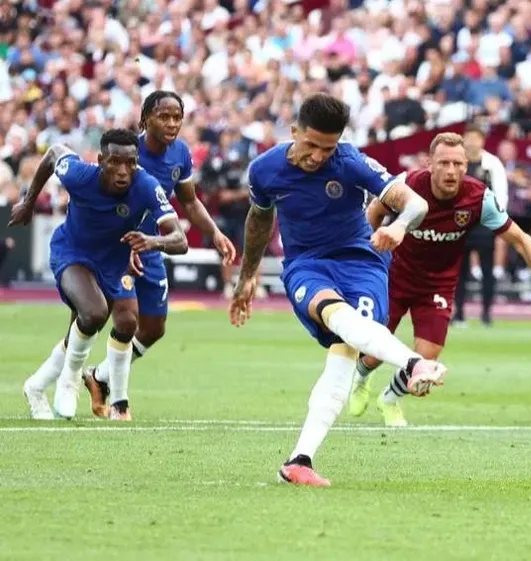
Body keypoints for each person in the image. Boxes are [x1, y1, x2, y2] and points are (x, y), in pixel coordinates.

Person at [228, 93, 446, 487]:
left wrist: (398, 226)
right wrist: (248, 275)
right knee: (334, 316)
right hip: (306, 265)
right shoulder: (265, 170)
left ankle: (299, 460)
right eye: (310, 145)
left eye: (326, 148)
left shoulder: (349, 161)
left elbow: (414, 204)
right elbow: (259, 221)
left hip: (361, 263)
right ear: (293, 132)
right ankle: (413, 363)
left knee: (346, 347)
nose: (317, 156)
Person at [351, 132, 531, 427]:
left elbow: (520, 239)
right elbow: (375, 209)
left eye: (458, 164)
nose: (451, 170)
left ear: (466, 165)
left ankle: (390, 398)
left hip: (437, 284)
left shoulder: (478, 198)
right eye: (444, 162)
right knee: (373, 354)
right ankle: (361, 379)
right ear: (429, 163)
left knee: (427, 361)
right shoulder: (407, 185)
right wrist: (364, 253)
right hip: (394, 277)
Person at [11, 132, 188, 421]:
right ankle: (70, 382)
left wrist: (153, 241)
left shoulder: (145, 185)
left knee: (127, 321)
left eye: (130, 163)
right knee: (94, 313)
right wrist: (29, 202)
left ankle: (37, 386)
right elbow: (55, 153)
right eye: (115, 162)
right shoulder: (80, 175)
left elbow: (179, 239)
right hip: (72, 253)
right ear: (101, 160)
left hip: (114, 262)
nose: (123, 171)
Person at [83, 91, 237, 418]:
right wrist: (119, 246)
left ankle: (99, 377)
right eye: (163, 116)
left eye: (176, 117)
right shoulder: (125, 153)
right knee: (120, 318)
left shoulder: (180, 153)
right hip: (117, 246)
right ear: (145, 119)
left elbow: (190, 202)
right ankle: (105, 398)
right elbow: (103, 202)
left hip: (153, 246)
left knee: (154, 328)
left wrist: (214, 233)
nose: (171, 123)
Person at [452, 127, 509, 326]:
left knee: (487, 270)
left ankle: (486, 312)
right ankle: (458, 312)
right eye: (469, 138)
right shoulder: (457, 162)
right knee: (459, 272)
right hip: (460, 222)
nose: (472, 142)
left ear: (482, 141)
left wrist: (498, 220)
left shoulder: (492, 164)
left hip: (484, 223)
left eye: (476, 138)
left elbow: (501, 193)